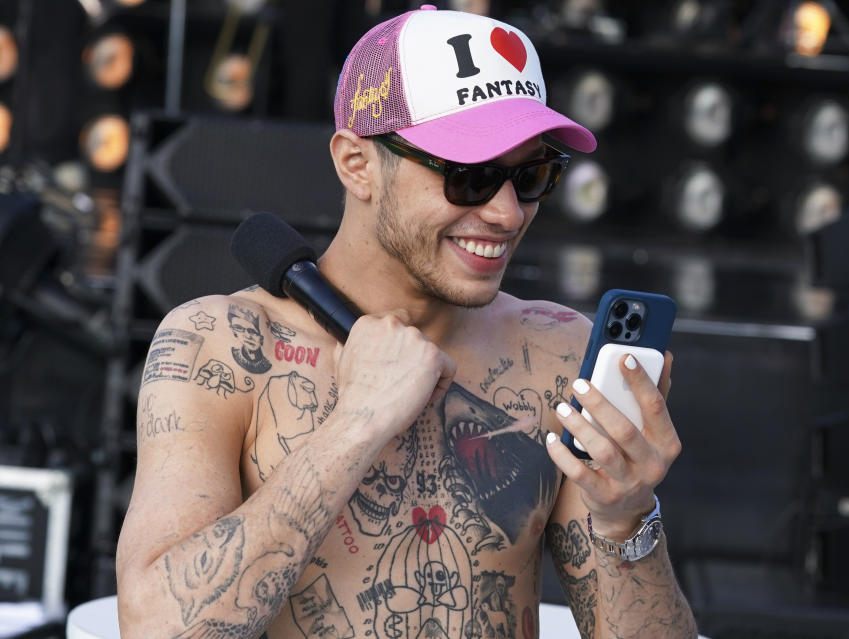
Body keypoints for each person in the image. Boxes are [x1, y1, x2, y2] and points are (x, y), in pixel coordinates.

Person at [116, 5, 697, 638]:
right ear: (357, 164)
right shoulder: (221, 346)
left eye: (531, 176)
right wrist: (357, 422)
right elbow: (155, 629)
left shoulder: (557, 354)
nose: (507, 213)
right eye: (469, 176)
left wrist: (628, 520)